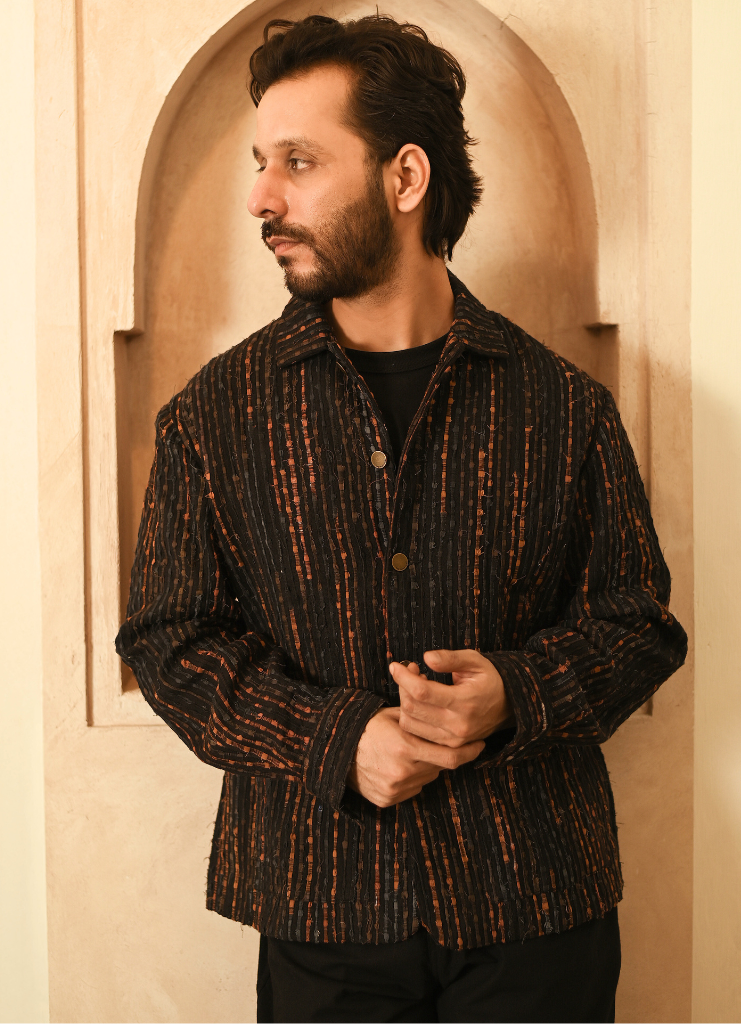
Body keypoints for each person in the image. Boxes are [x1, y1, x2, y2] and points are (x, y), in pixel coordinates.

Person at [116, 14, 687, 1023]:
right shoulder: (214, 416)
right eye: (261, 163)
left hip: (535, 905)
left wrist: (515, 693)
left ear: (406, 178)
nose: (261, 198)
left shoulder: (563, 406)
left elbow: (638, 621)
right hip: (323, 912)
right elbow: (168, 640)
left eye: (298, 161)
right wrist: (336, 739)